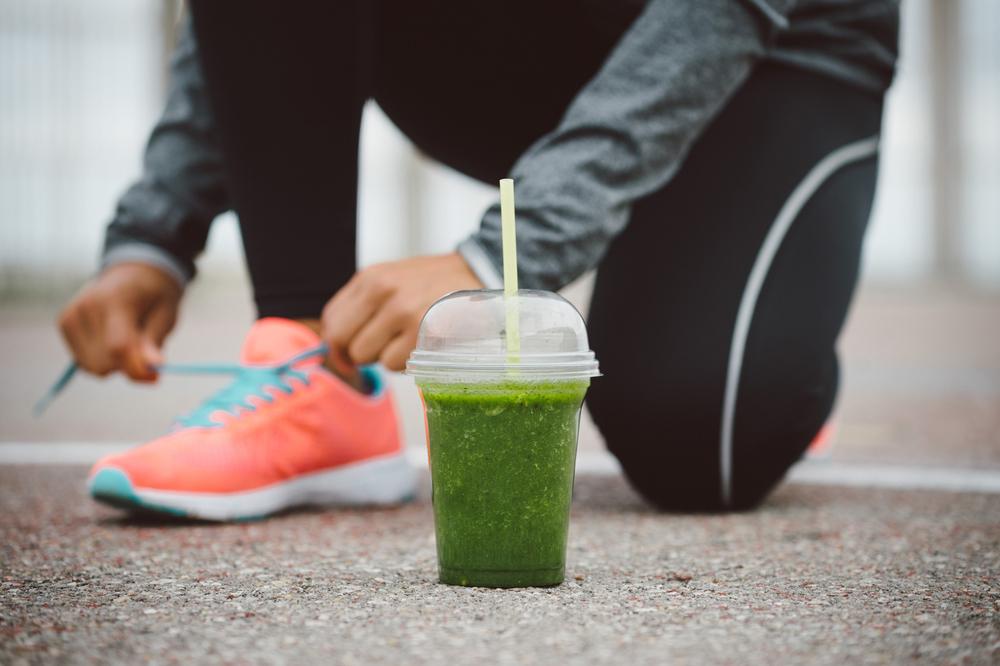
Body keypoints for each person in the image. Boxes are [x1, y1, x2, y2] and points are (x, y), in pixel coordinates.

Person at [58, 0, 899, 519]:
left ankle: (747, 308)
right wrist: (157, 231)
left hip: (771, 48)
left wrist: (500, 254)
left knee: (699, 445)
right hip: (536, 41)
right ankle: (314, 373)